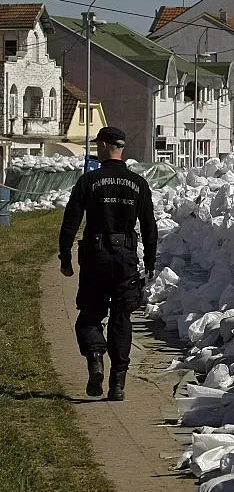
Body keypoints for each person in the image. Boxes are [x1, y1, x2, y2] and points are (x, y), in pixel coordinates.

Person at [58, 126, 157, 401]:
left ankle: (95, 357)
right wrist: (149, 261)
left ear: (103, 146)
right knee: (121, 319)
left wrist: (65, 257)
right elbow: (149, 226)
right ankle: (117, 384)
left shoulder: (89, 181)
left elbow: (70, 223)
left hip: (96, 257)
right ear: (121, 148)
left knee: (90, 314)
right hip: (126, 258)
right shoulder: (138, 183)